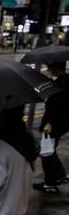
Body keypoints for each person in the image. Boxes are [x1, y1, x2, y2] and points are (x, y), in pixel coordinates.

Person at [33, 62, 69, 193]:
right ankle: (56, 178)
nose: (49, 70)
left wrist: (49, 123)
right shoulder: (64, 81)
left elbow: (57, 106)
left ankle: (53, 180)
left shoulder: (61, 84)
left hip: (54, 124)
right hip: (62, 123)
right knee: (49, 150)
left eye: (50, 68)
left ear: (55, 68)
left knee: (46, 151)